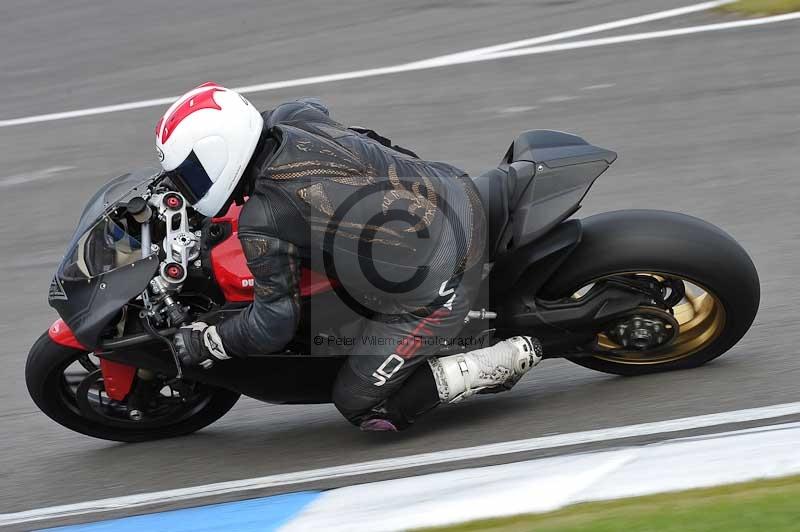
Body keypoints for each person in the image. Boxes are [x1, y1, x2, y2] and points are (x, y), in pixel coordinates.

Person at [156, 83, 542, 431]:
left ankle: (494, 361)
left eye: (190, 174)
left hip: (442, 272)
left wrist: (210, 342)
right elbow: (314, 106)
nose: (187, 185)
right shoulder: (293, 117)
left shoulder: (265, 217)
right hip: (451, 188)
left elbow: (274, 322)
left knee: (360, 403)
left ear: (219, 155)